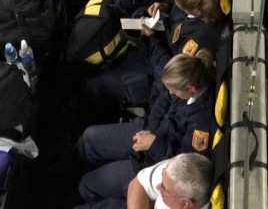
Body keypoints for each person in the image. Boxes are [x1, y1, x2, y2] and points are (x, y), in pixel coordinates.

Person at [77, 51, 216, 204]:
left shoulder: (201, 122)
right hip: (149, 131)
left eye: (174, 90)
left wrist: (153, 143)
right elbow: (163, 101)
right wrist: (151, 130)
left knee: (87, 185)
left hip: (154, 161)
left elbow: (181, 166)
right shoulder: (183, 84)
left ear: (190, 89)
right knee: (90, 137)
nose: (171, 92)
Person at [85, 0, 230, 108]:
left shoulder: (197, 41)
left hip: (160, 62)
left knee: (104, 80)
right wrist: (164, 6)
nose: (176, 6)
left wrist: (151, 37)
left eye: (179, 6)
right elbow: (175, 4)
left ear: (195, 11)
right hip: (161, 34)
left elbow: (171, 69)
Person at [123, 153, 213, 209]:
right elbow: (138, 184)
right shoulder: (177, 170)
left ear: (186, 204)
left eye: (165, 189)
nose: (158, 186)